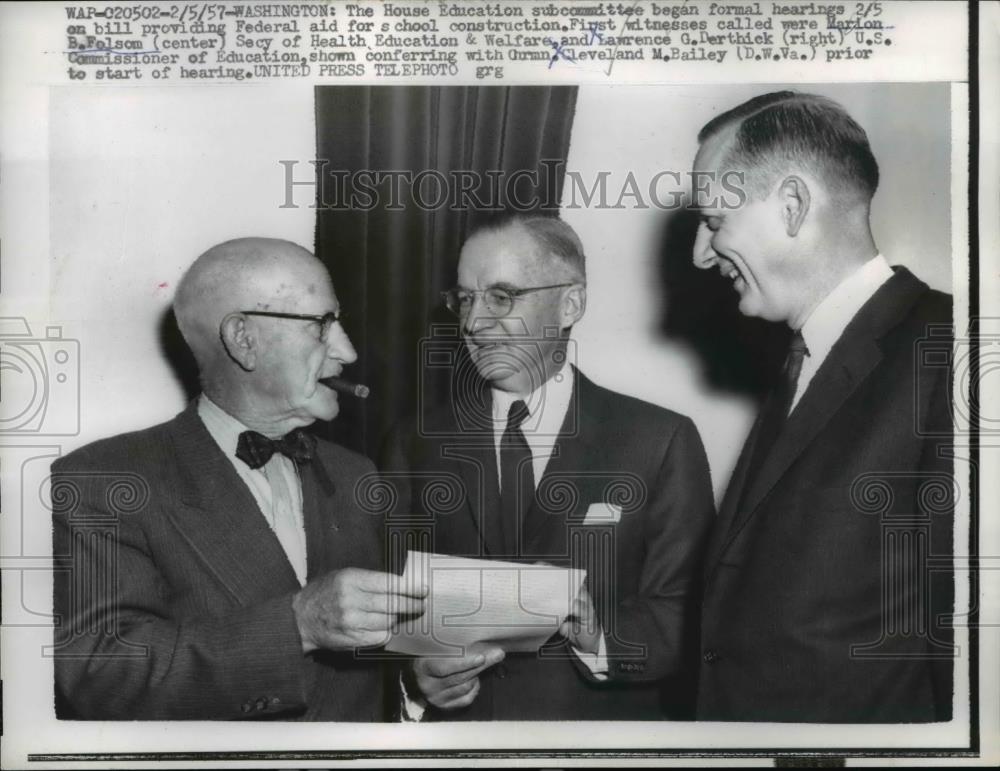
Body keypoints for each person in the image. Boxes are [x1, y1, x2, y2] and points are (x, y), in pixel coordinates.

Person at [51, 237, 425, 720]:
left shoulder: (357, 474)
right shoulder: (101, 480)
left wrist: (420, 682)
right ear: (242, 339)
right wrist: (297, 625)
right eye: (321, 325)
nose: (347, 352)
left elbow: (371, 667)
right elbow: (103, 677)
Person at [383, 215, 714, 720]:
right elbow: (385, 609)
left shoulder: (660, 440)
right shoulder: (414, 443)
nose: (473, 323)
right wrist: (414, 683)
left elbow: (687, 614)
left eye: (501, 296)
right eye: (466, 299)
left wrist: (597, 633)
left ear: (570, 304)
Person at [690, 92, 954, 722]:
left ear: (791, 205)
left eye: (714, 221)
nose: (700, 254)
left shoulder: (951, 349)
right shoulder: (797, 365)